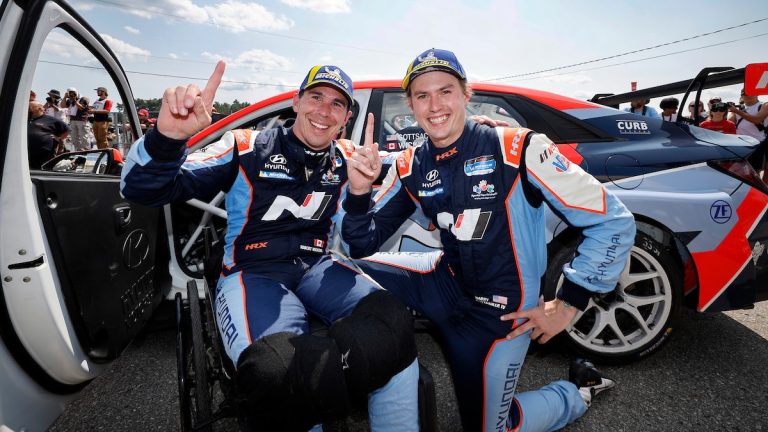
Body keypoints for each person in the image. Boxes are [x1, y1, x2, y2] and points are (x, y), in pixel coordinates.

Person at [341, 48, 635, 432]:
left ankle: (577, 390)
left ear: (466, 94)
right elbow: (361, 244)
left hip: (499, 316)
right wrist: (360, 192)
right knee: (340, 269)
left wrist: (568, 304)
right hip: (441, 284)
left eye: (445, 91)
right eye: (422, 96)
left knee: (492, 427)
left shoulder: (518, 148)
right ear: (411, 105)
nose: (435, 106)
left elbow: (614, 222)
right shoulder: (411, 164)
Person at [120, 62, 420, 431]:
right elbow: (141, 189)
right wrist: (167, 139)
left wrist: (474, 134)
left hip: (318, 267)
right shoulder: (246, 145)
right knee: (284, 373)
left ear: (345, 118)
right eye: (316, 97)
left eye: (337, 104)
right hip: (252, 273)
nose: (324, 111)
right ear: (296, 102)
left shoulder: (349, 158)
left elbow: (423, 162)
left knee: (395, 330)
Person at [28, 100, 68, 169]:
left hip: (45, 155)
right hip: (28, 154)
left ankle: (72, 163)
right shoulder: (25, 119)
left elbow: (67, 130)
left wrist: (58, 138)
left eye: (30, 107)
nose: (28, 109)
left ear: (39, 108)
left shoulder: (51, 120)